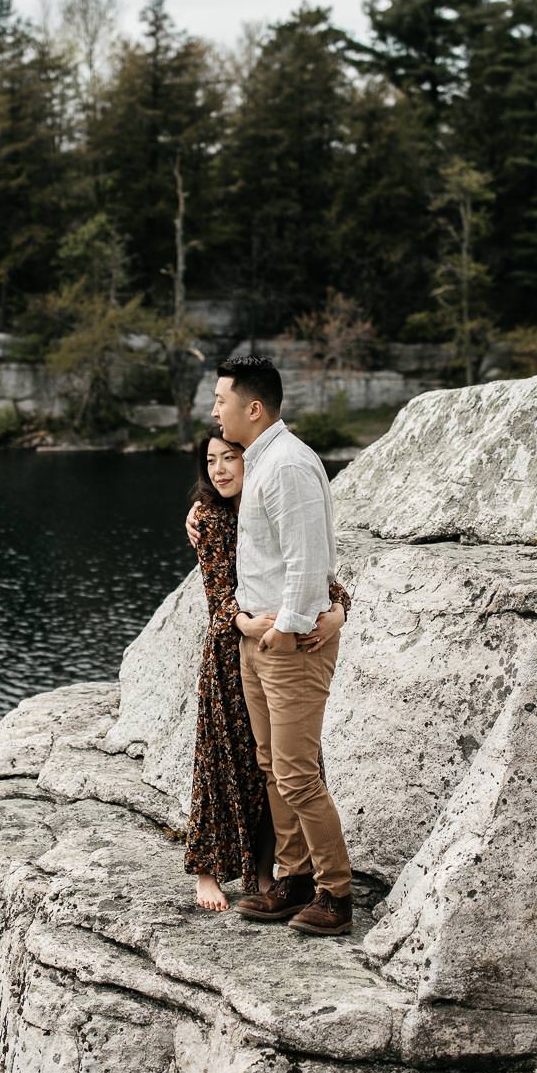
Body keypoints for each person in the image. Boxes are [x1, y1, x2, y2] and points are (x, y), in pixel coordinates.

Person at [199, 355, 355, 936]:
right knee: (271, 766)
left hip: (288, 645)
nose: (215, 410)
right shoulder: (262, 463)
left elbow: (308, 559)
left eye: (222, 401)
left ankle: (335, 894)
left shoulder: (287, 465)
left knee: (295, 774)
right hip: (258, 641)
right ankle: (291, 880)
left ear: (253, 408)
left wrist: (283, 629)